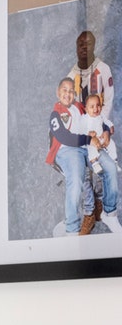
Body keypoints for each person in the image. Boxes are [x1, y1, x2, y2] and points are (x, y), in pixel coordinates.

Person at [49, 78, 100, 236]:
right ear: (58, 92)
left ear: (75, 94)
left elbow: (93, 119)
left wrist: (99, 131)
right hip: (69, 150)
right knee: (77, 179)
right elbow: (65, 137)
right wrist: (88, 139)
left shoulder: (79, 107)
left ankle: (95, 209)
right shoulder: (56, 114)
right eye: (64, 90)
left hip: (86, 147)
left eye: (71, 91)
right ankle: (72, 228)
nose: (68, 94)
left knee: (108, 166)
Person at [75, 92, 121, 232]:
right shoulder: (83, 118)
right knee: (104, 172)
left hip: (100, 145)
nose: (95, 109)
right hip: (86, 147)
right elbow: (78, 131)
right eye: (92, 107)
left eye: (98, 106)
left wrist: (107, 131)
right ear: (86, 108)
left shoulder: (99, 115)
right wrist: (90, 136)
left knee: (111, 166)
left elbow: (105, 123)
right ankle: (101, 212)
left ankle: (109, 213)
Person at [68, 30, 113, 125]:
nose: (84, 47)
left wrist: (99, 124)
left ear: (93, 47)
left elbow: (108, 100)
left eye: (88, 44)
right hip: (79, 130)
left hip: (99, 127)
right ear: (76, 48)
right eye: (81, 45)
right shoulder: (71, 77)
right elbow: (67, 106)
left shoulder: (103, 69)